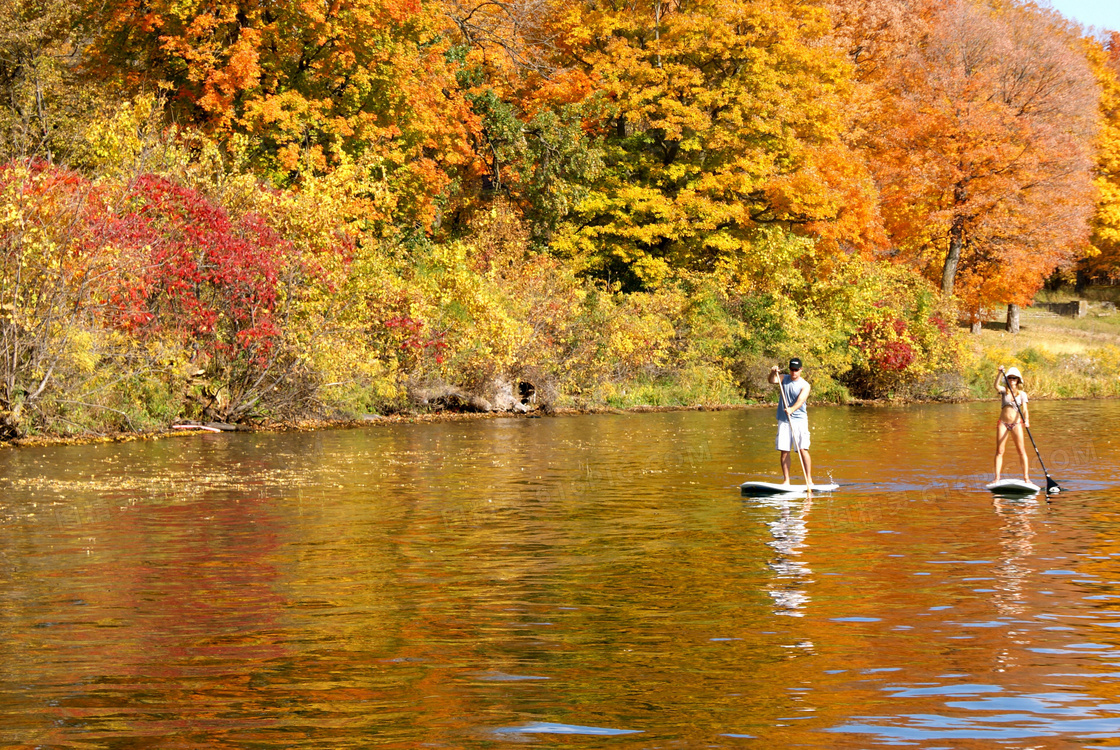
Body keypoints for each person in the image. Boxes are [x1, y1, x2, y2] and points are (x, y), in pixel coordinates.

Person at [768, 358, 813, 486]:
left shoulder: (805, 385)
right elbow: (772, 380)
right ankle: (786, 481)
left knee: (802, 449)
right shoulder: (783, 378)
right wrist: (773, 372)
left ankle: (809, 480)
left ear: (801, 370)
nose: (794, 372)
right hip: (784, 419)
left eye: (796, 370)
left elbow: (801, 400)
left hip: (799, 420)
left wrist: (792, 409)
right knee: (784, 450)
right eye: (792, 370)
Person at [994, 365, 1031, 483]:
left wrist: (1027, 419)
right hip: (1003, 423)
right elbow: (996, 386)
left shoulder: (1022, 394)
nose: (1012, 380)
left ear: (1018, 380)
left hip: (1016, 424)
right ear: (1007, 379)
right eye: (1010, 378)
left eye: (1014, 378)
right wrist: (1000, 373)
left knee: (1021, 451)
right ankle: (997, 478)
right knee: (1000, 451)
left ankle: (1026, 478)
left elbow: (1025, 409)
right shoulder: (1004, 391)